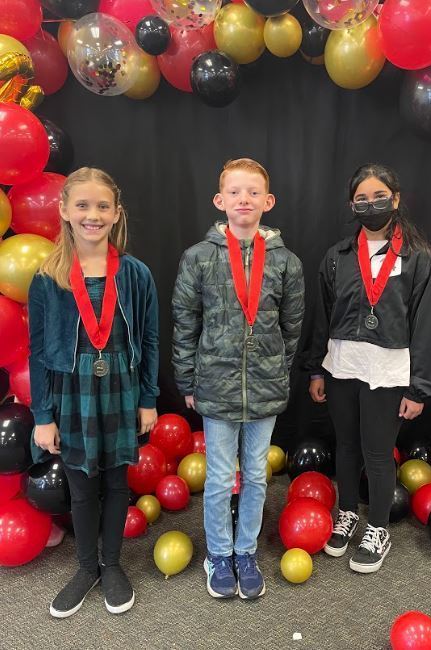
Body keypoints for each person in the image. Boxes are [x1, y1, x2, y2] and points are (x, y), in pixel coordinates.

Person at [305, 163, 431, 574]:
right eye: (362, 200)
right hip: (342, 366)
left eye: (379, 197)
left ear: (396, 199)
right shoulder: (337, 257)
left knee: (378, 452)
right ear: (352, 205)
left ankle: (378, 528)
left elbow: (427, 325)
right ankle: (348, 512)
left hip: (387, 372)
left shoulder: (417, 258)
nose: (371, 205)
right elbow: (322, 316)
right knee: (346, 446)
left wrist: (420, 388)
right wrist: (316, 370)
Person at [28, 167, 159, 617]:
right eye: (82, 205)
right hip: (72, 391)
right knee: (82, 486)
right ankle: (86, 567)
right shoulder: (48, 278)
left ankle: (113, 564)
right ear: (64, 210)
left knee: (117, 482)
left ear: (117, 213)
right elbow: (38, 352)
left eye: (103, 206)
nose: (93, 215)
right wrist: (43, 415)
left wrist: (148, 399)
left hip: (121, 386)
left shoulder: (136, 274)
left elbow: (151, 340)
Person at [172, 158, 304, 599]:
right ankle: (219, 554)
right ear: (220, 200)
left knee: (256, 476)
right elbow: (185, 323)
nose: (243, 199)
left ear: (268, 201)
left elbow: (292, 328)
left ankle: (246, 552)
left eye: (253, 192)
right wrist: (188, 381)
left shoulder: (286, 262)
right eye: (234, 192)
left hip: (265, 388)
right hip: (216, 386)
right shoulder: (199, 257)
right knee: (218, 478)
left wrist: (277, 372)